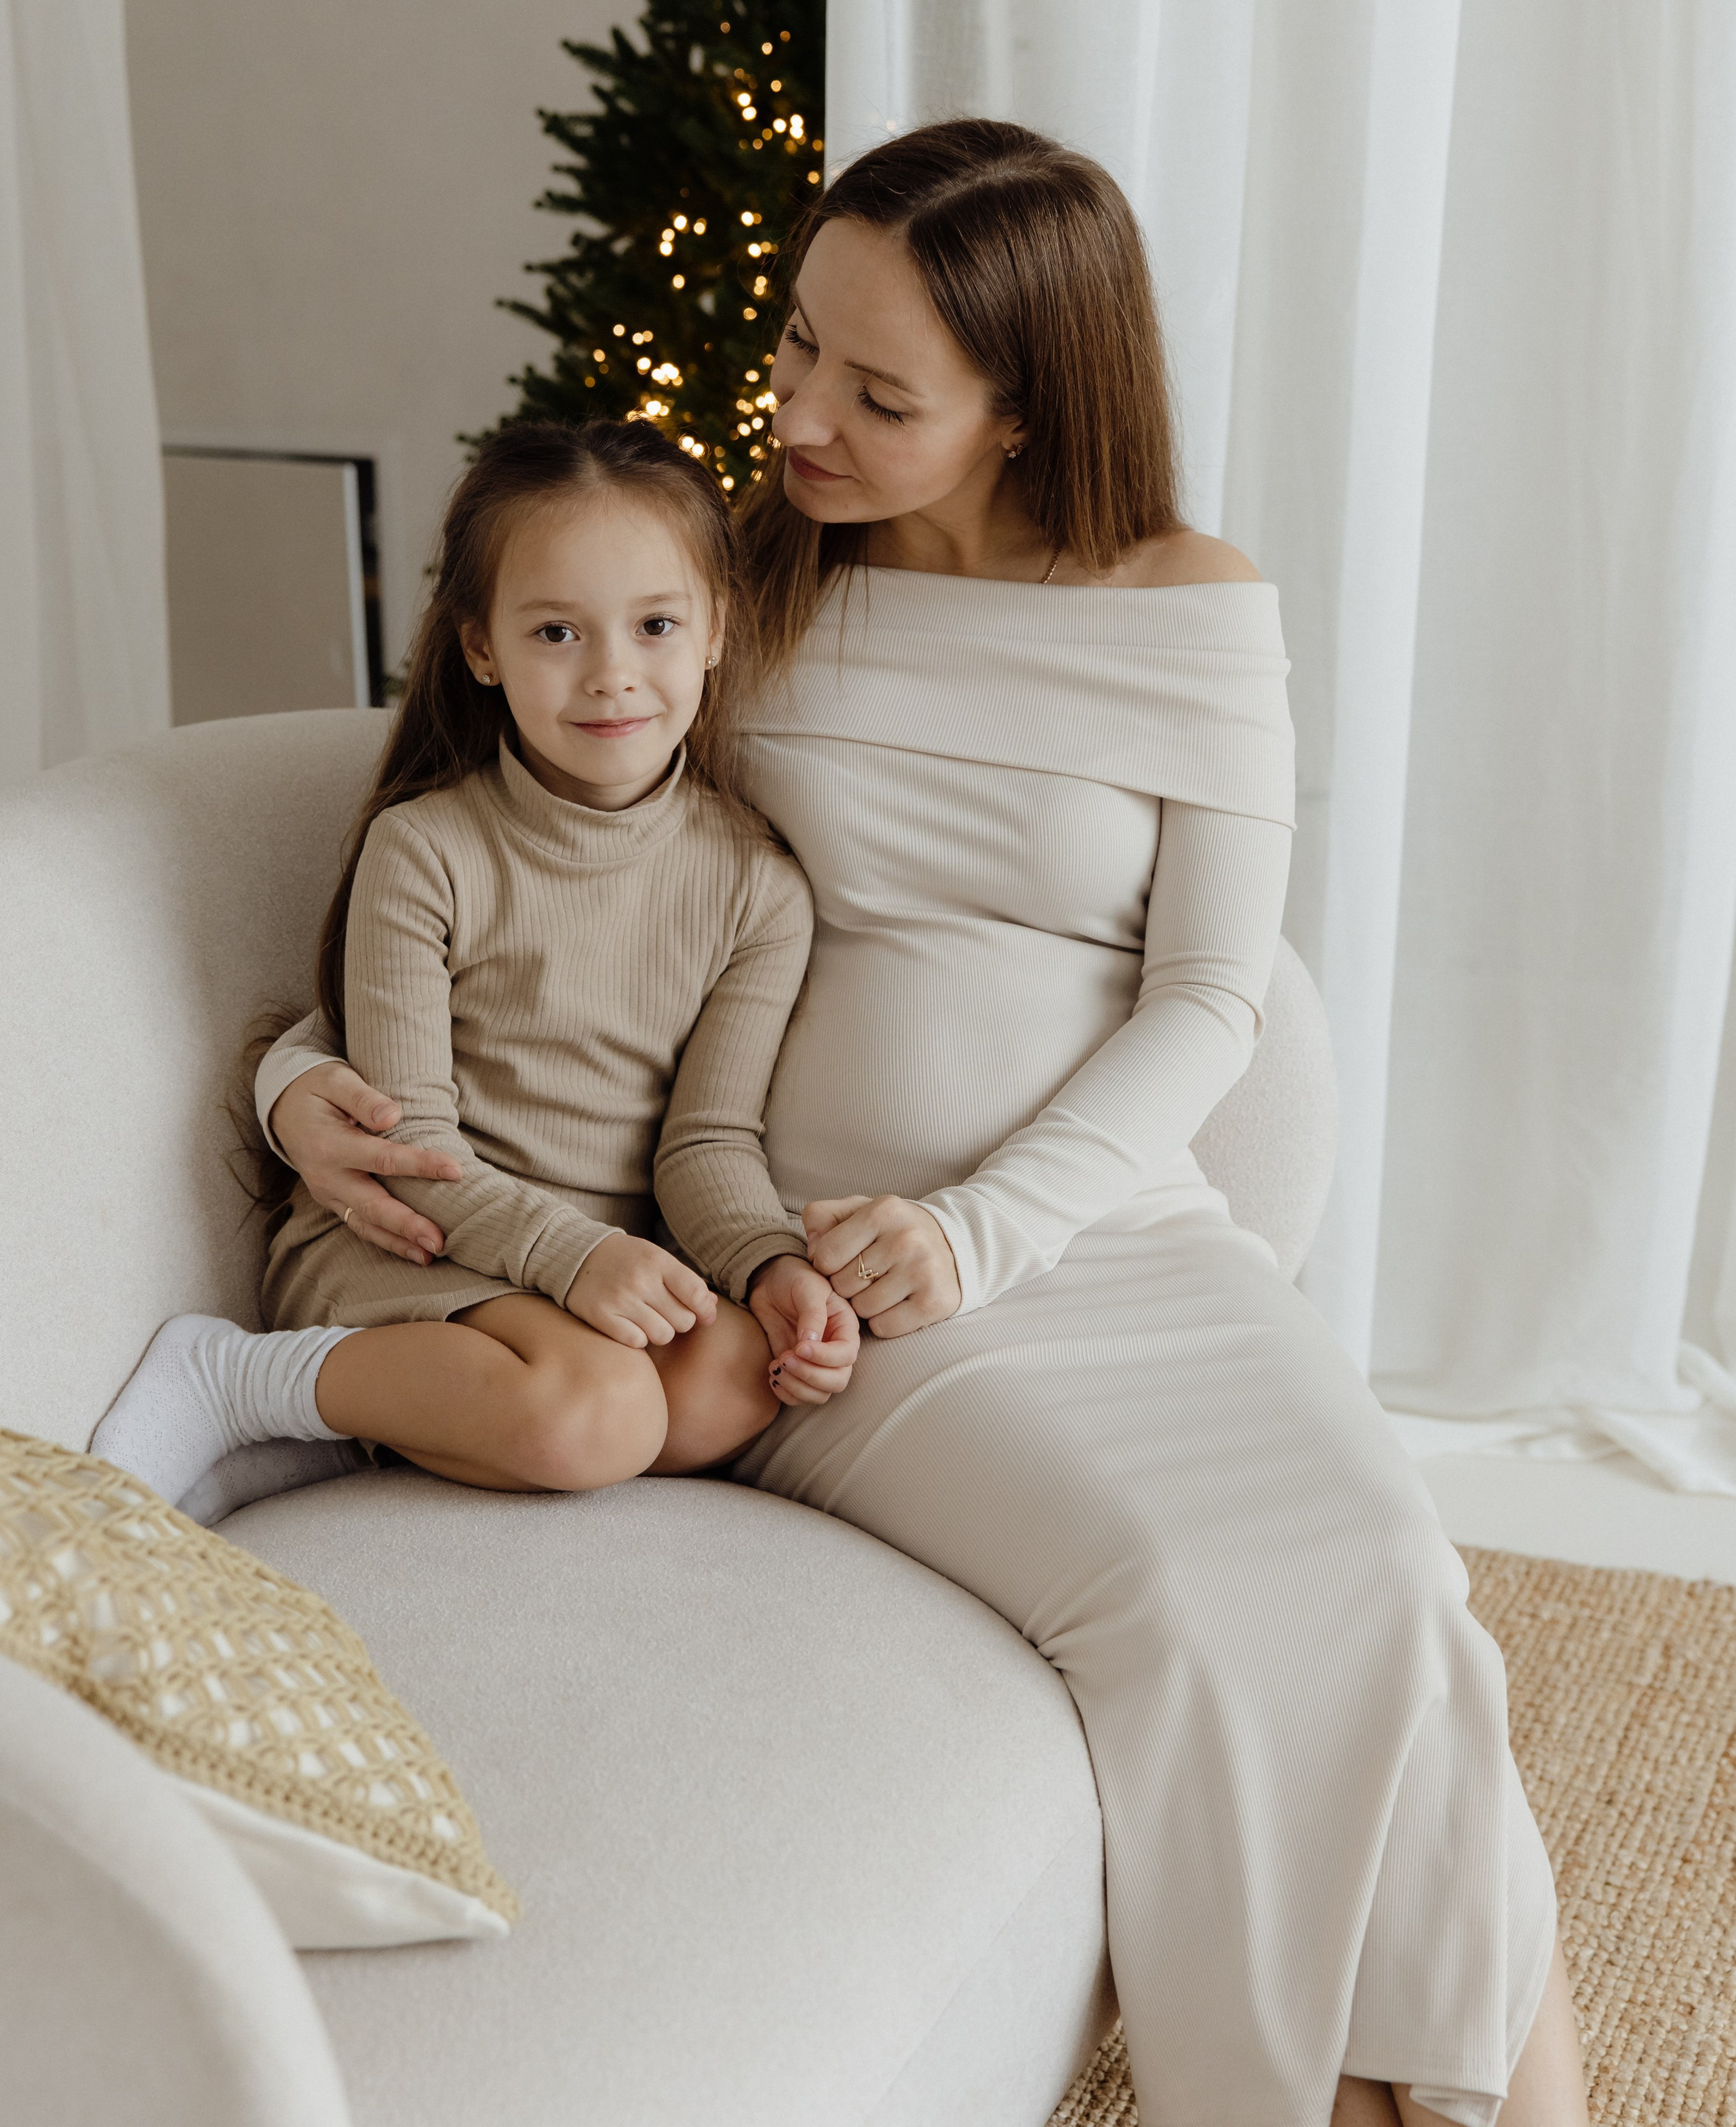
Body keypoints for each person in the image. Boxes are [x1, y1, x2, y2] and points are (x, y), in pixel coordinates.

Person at [247, 123, 1587, 2126]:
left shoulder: (1190, 606)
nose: (796, 412)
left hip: (1101, 1239)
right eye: (797, 350)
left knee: (1388, 1569)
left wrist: (991, 1221)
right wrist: (289, 1078)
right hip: (841, 1298)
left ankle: (1481, 2100)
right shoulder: (746, 587)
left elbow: (1216, 995)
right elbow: (466, 816)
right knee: (1180, 1595)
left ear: (1027, 407)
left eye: (877, 393)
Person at [93, 420, 859, 1520]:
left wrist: (772, 1264)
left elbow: (705, 1143)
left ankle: (367, 1428)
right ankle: (241, 1380)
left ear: (715, 632)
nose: (612, 675)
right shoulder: (428, 850)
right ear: (481, 646)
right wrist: (573, 1256)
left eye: (655, 624)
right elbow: (409, 1151)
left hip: (584, 1273)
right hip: (417, 1242)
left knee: (737, 1377)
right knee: (604, 1413)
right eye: (557, 630)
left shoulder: (757, 887)